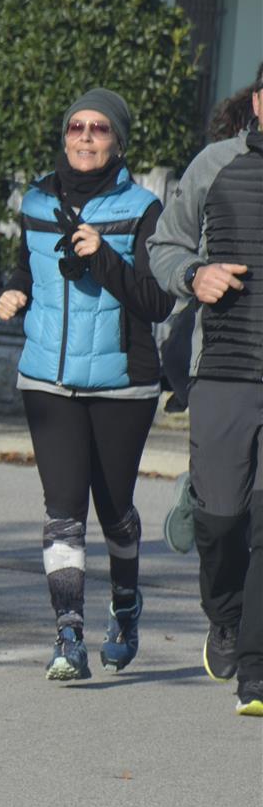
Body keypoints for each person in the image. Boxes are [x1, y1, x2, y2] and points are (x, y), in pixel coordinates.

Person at [0, 88, 174, 680]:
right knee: (63, 512)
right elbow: (27, 265)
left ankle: (124, 606)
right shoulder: (37, 202)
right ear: (65, 135)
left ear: (118, 142)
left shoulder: (144, 209)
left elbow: (156, 301)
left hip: (123, 383)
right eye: (77, 127)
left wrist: (103, 258)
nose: (86, 137)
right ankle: (68, 635)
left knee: (114, 510)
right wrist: (13, 290)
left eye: (100, 128)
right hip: (47, 378)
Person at [147, 62, 262, 719]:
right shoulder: (215, 164)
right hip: (223, 370)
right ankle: (224, 616)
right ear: (258, 101)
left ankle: (257, 672)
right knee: (221, 522)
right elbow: (165, 245)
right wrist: (196, 276)